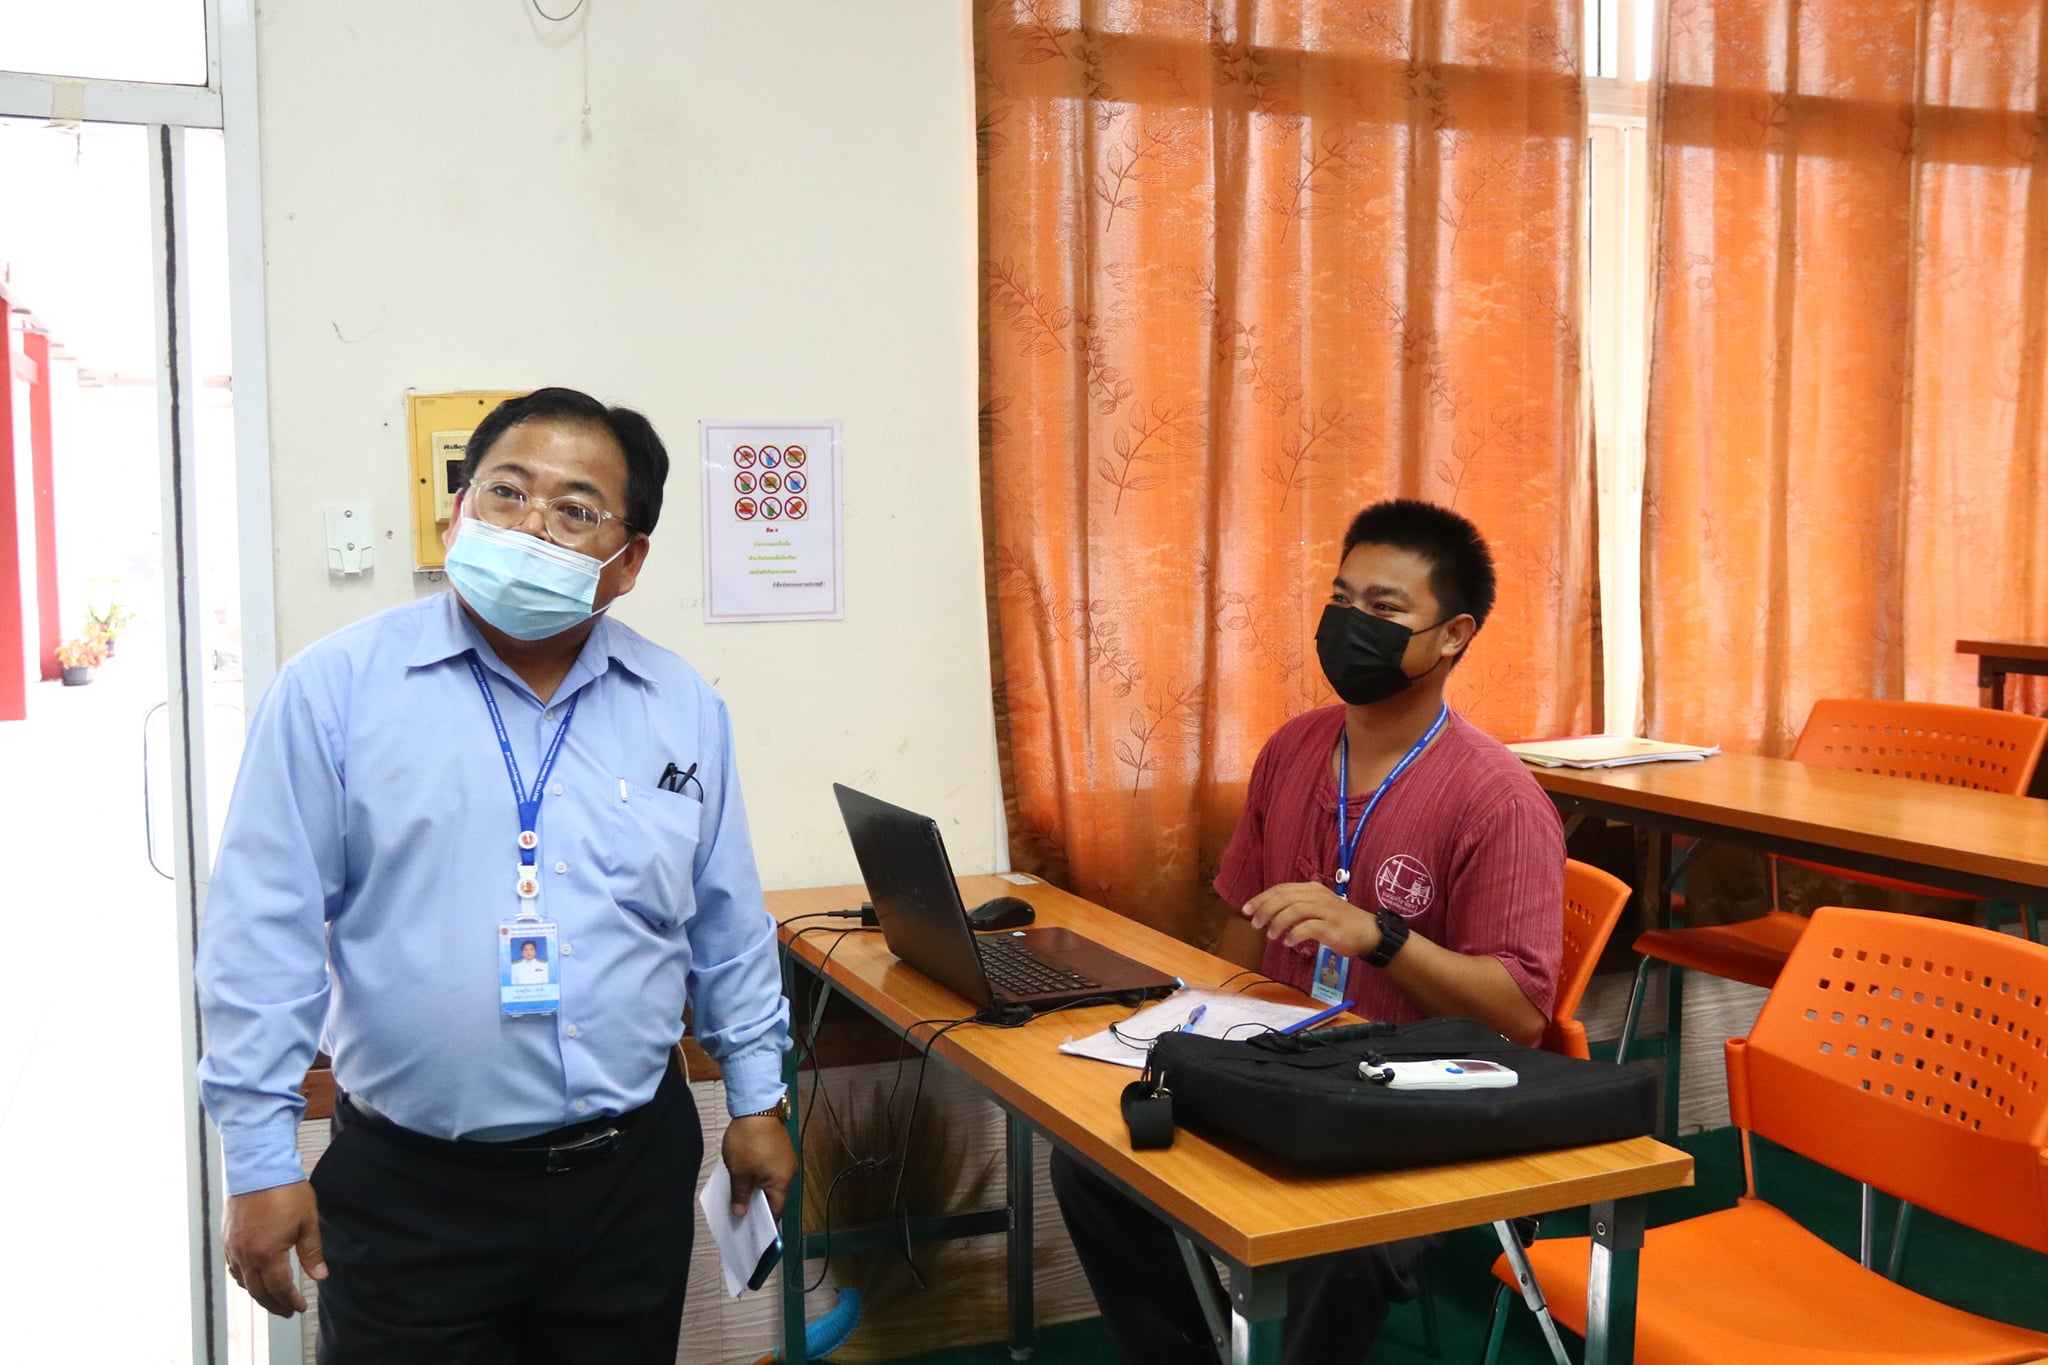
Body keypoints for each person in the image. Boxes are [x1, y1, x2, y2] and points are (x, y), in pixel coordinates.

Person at [197, 388, 796, 1365]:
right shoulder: (333, 692)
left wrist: (759, 1103)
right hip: (411, 1191)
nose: (531, 524)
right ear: (456, 514)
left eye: (575, 509)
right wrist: (260, 1160)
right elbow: (261, 937)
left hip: (628, 1178)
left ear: (627, 561)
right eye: (506, 492)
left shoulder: (680, 704)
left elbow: (725, 924)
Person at [1051, 498, 1565, 1365]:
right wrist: (1198, 1037)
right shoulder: (1294, 748)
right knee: (1094, 1165)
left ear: (1452, 636)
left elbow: (1520, 1014)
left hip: (1411, 1101)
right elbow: (1242, 921)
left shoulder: (1499, 800)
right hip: (1279, 1063)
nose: (1350, 624)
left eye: (1385, 608)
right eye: (1341, 598)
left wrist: (1381, 938)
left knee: (1335, 1244)